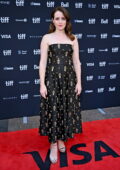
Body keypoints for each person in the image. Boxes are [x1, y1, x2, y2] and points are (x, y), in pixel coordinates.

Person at [38, 6, 83, 164]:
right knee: (53, 111)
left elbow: (76, 62)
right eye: (57, 18)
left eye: (62, 18)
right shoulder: (47, 38)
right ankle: (53, 144)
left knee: (65, 110)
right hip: (51, 80)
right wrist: (42, 84)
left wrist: (79, 82)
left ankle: (62, 140)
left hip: (68, 81)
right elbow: (42, 63)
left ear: (67, 20)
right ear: (52, 20)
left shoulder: (73, 38)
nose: (60, 21)